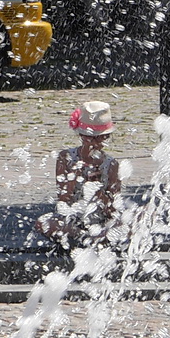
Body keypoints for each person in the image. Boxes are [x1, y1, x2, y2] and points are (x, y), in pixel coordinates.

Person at [37, 101, 125, 250]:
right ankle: (86, 238)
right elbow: (63, 200)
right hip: (73, 219)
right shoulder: (66, 158)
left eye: (101, 138)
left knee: (126, 224)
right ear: (81, 136)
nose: (95, 143)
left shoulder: (111, 165)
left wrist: (98, 192)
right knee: (44, 222)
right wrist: (74, 178)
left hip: (100, 221)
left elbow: (113, 209)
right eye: (90, 137)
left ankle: (93, 238)